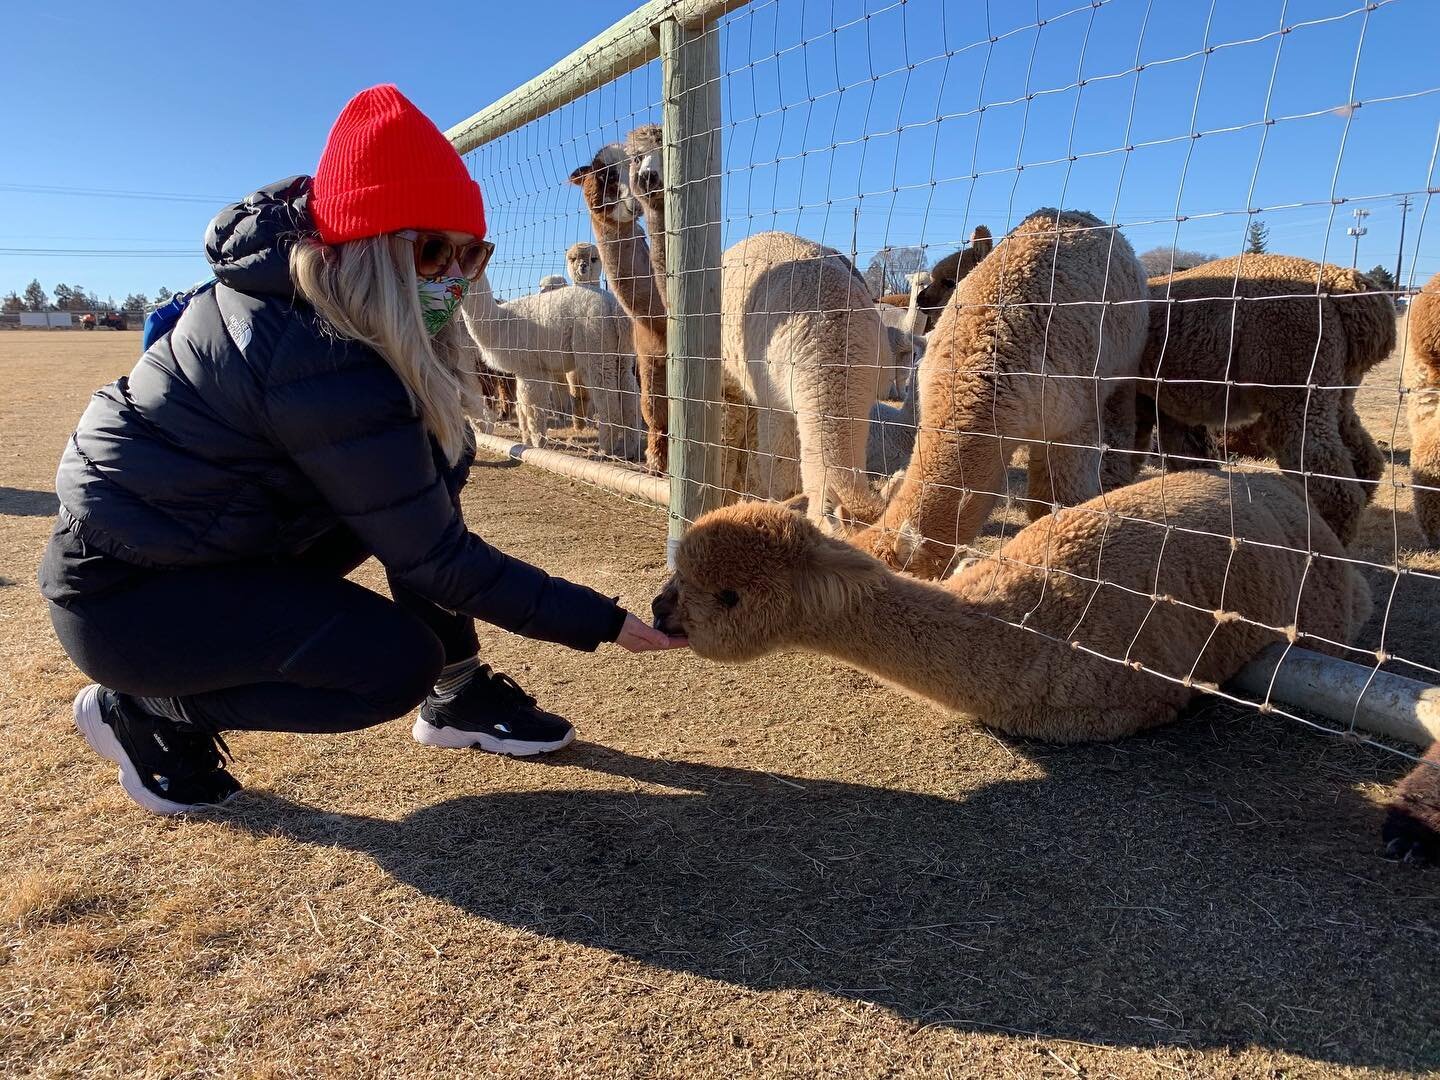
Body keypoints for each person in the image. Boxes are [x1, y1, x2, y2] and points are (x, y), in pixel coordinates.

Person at [39, 85, 685, 817]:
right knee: (389, 665)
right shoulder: (315, 350)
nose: (455, 275)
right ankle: (145, 710)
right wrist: (601, 621)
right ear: (369, 248)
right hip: (128, 599)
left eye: (472, 254)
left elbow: (420, 527)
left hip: (209, 550)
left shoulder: (333, 320)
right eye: (434, 250)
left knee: (438, 458)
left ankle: (459, 694)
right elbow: (437, 560)